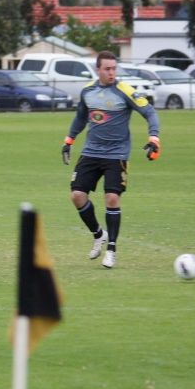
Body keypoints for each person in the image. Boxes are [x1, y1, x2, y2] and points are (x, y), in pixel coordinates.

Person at [61, 50, 161, 269]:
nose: (111, 73)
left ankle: (112, 249)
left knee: (112, 198)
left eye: (114, 68)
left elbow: (150, 112)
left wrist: (154, 137)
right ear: (98, 70)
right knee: (77, 196)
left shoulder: (124, 90)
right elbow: (80, 118)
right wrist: (69, 141)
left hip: (116, 155)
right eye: (107, 69)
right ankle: (99, 235)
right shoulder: (88, 91)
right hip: (91, 152)